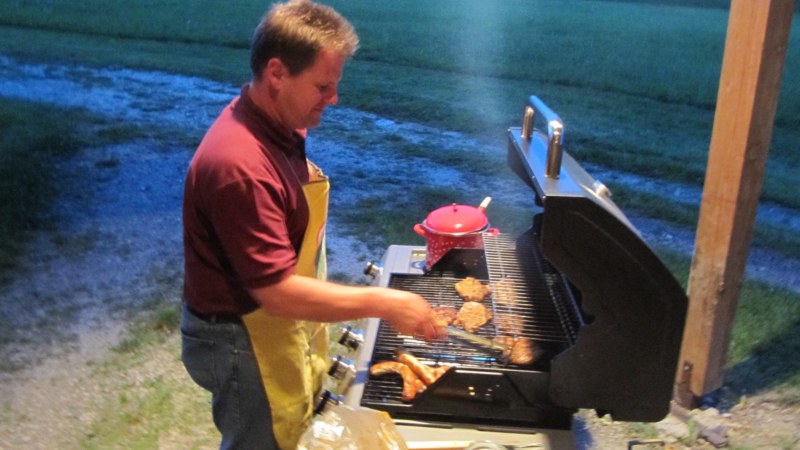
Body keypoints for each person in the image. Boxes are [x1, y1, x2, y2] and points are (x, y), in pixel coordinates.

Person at [180, 1, 445, 448]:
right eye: (323, 86)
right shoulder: (240, 165)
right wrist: (384, 301)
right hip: (239, 338)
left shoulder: (279, 123)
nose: (334, 98)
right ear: (277, 74)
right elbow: (277, 292)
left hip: (268, 323)